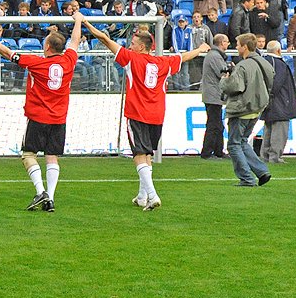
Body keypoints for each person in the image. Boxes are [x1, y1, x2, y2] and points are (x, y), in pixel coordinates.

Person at [83, 21, 209, 210]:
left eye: (133, 44)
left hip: (137, 113)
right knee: (147, 154)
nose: (129, 46)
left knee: (139, 154)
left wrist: (85, 22)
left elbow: (104, 38)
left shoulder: (131, 59)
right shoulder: (163, 63)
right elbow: (184, 57)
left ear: (142, 47)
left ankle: (153, 195)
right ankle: (142, 196)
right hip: (157, 115)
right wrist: (200, 48)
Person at [0, 15, 84, 212]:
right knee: (52, 157)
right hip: (59, 117)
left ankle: (41, 190)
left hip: (38, 117)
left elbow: (8, 53)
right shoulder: (69, 61)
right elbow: (75, 40)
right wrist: (78, 20)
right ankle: (50, 198)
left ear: (47, 47)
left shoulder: (36, 63)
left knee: (28, 154)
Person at [219, 34, 274, 187]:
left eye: (237, 44)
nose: (236, 47)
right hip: (257, 108)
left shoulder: (243, 66)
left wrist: (224, 80)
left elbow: (235, 87)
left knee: (234, 144)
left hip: (242, 108)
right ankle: (262, 171)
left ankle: (247, 178)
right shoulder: (264, 62)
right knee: (243, 142)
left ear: (244, 46)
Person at [260, 41, 296, 165]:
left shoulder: (264, 61)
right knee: (279, 131)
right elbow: (276, 83)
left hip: (269, 101)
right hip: (280, 102)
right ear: (278, 51)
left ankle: (265, 156)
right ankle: (275, 157)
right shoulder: (279, 64)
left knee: (268, 130)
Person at [198, 34, 230, 159]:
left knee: (217, 124)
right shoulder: (215, 56)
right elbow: (222, 72)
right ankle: (207, 152)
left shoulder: (214, 55)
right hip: (213, 95)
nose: (228, 44)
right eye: (226, 42)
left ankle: (218, 151)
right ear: (221, 43)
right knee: (214, 124)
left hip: (213, 94)